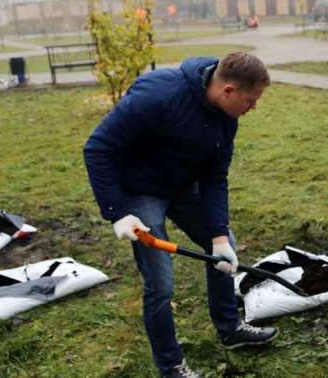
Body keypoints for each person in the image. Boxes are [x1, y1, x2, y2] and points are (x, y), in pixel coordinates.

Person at [83, 51, 278, 378]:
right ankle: (170, 365)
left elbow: (215, 175)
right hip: (140, 190)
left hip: (183, 185)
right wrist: (117, 213)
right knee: (160, 283)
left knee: (223, 248)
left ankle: (229, 329)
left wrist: (217, 235)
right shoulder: (157, 94)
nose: (254, 106)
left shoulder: (226, 118)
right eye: (250, 99)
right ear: (227, 90)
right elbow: (98, 148)